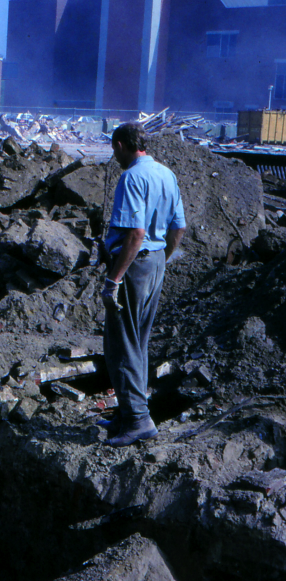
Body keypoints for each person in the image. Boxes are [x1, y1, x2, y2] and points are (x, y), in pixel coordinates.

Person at [99, 122, 186, 447]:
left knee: (122, 342)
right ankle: (128, 412)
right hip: (156, 263)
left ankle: (137, 420)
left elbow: (135, 234)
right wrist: (162, 257)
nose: (114, 156)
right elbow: (178, 227)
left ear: (121, 145)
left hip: (135, 266)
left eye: (114, 149)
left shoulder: (131, 177)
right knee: (139, 339)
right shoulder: (166, 174)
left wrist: (114, 279)